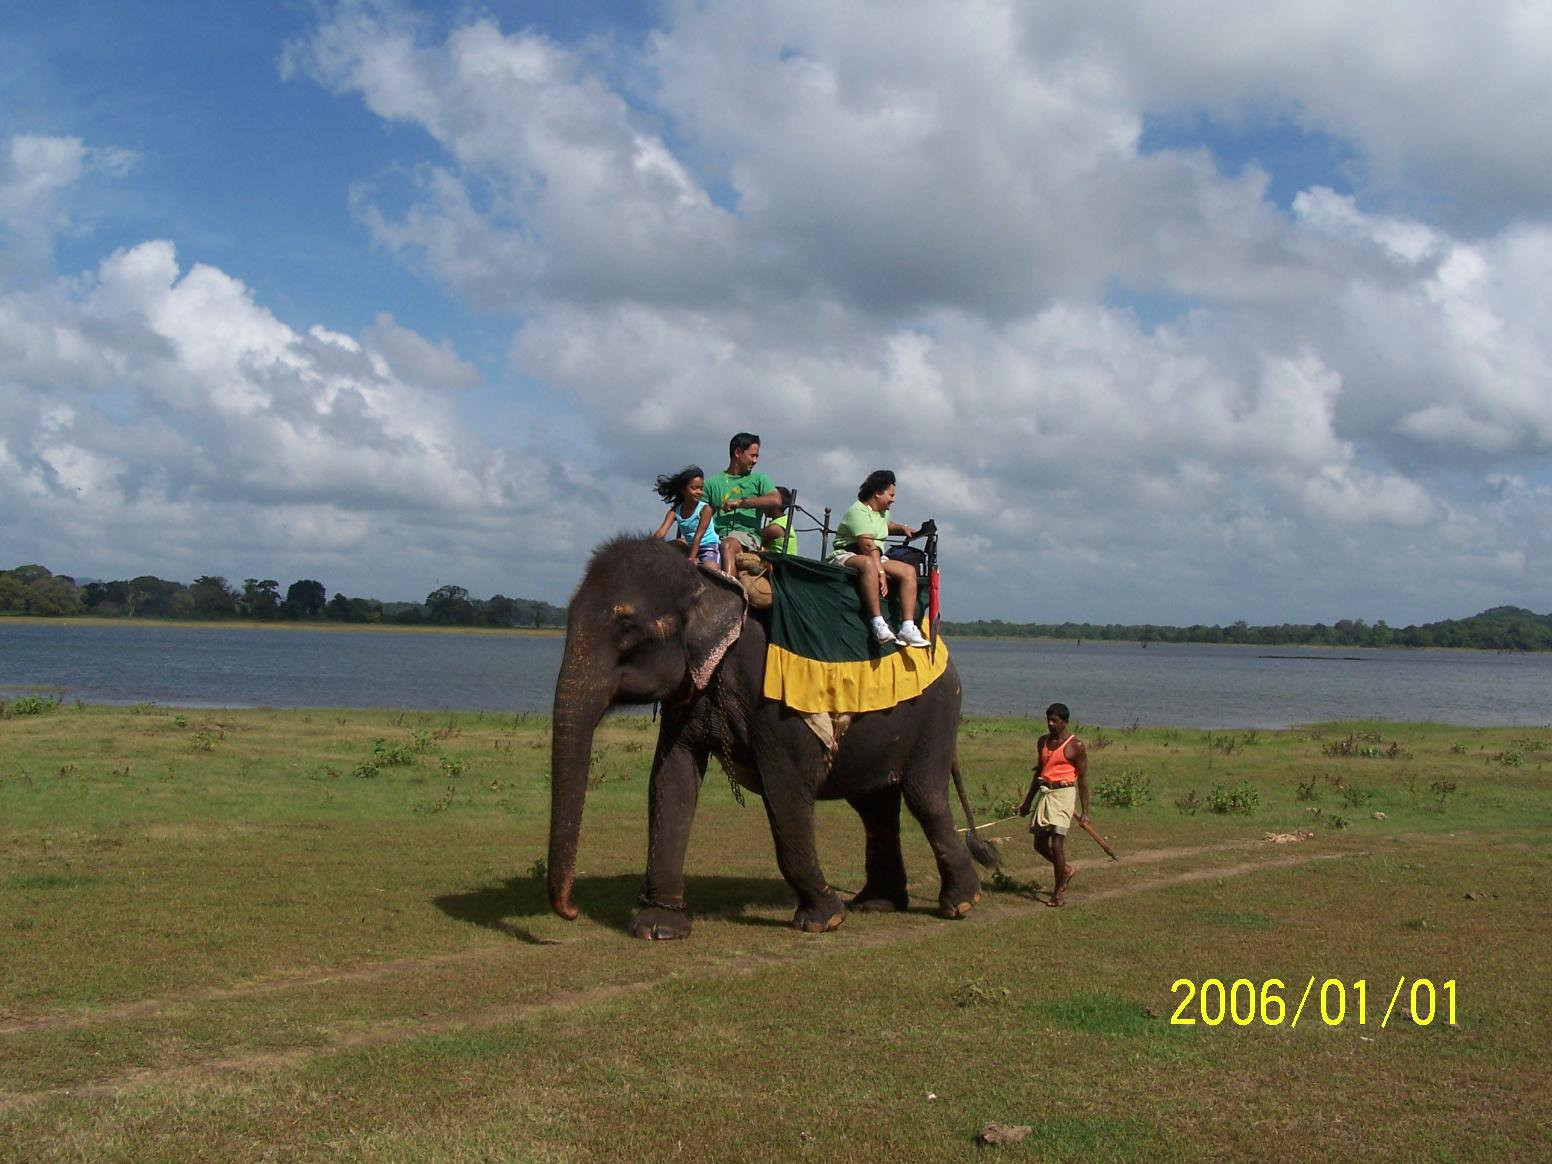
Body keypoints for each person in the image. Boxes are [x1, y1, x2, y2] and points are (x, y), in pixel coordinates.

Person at [827, 469, 929, 647]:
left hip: (874, 555)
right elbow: (867, 546)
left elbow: (885, 525)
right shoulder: (857, 512)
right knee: (868, 564)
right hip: (848, 554)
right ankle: (878, 623)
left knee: (908, 571)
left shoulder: (882, 512)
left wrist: (902, 529)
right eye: (891, 494)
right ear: (878, 493)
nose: (893, 499)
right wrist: (880, 572)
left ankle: (907, 627)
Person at [1017, 702, 1090, 907]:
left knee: (1057, 844)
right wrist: (1027, 803)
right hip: (1046, 794)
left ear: (1065, 722)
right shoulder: (1042, 742)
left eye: (1055, 721)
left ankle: (1057, 894)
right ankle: (1065, 870)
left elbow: (1083, 780)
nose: (1050, 724)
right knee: (1039, 844)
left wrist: (1085, 812)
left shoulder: (1076, 746)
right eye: (1048, 720)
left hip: (1064, 794)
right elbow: (1039, 773)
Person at [703, 433, 783, 576]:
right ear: (738, 453)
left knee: (727, 546)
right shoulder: (711, 483)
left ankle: (729, 587)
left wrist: (742, 503)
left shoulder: (759, 479)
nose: (755, 460)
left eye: (757, 456)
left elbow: (775, 499)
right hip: (714, 535)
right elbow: (699, 512)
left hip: (746, 535)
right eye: (753, 455)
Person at [651, 465, 721, 566]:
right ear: (683, 490)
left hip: (708, 547)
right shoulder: (675, 511)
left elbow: (698, 536)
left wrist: (691, 559)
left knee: (710, 568)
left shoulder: (705, 509)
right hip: (690, 547)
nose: (699, 492)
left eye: (701, 489)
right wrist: (649, 546)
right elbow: (661, 533)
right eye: (694, 488)